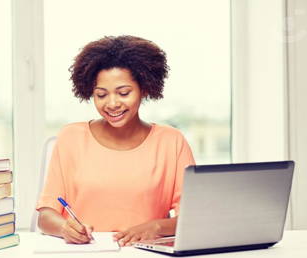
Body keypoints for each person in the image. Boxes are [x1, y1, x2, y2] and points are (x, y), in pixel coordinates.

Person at [36, 35, 195, 246]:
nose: (112, 104)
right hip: (84, 257)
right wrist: (65, 228)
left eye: (123, 93)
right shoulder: (71, 138)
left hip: (149, 257)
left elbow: (193, 218)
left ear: (144, 89)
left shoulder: (171, 142)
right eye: (101, 95)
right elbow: (45, 216)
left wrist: (157, 226)